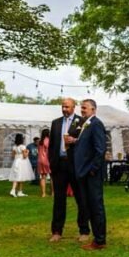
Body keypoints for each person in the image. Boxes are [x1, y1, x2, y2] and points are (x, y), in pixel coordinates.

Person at [48, 98, 90, 243]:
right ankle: (57, 231)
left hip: (75, 166)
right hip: (59, 166)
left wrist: (75, 141)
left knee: (81, 199)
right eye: (63, 106)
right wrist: (52, 163)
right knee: (59, 200)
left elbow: (86, 144)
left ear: (74, 107)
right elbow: (52, 145)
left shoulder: (82, 122)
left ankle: (84, 230)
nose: (64, 109)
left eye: (67, 107)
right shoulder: (56, 123)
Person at [72, 99, 108, 250]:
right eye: (81, 109)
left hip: (91, 173)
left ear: (93, 109)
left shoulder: (96, 124)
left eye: (85, 108)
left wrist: (93, 169)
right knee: (90, 206)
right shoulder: (86, 124)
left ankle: (99, 240)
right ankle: (97, 238)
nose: (82, 111)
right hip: (84, 172)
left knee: (96, 206)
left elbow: (100, 149)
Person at [35, 128, 51, 198]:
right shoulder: (48, 141)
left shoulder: (39, 141)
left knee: (43, 177)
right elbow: (49, 151)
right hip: (47, 160)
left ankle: (43, 194)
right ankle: (53, 192)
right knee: (52, 177)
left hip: (40, 160)